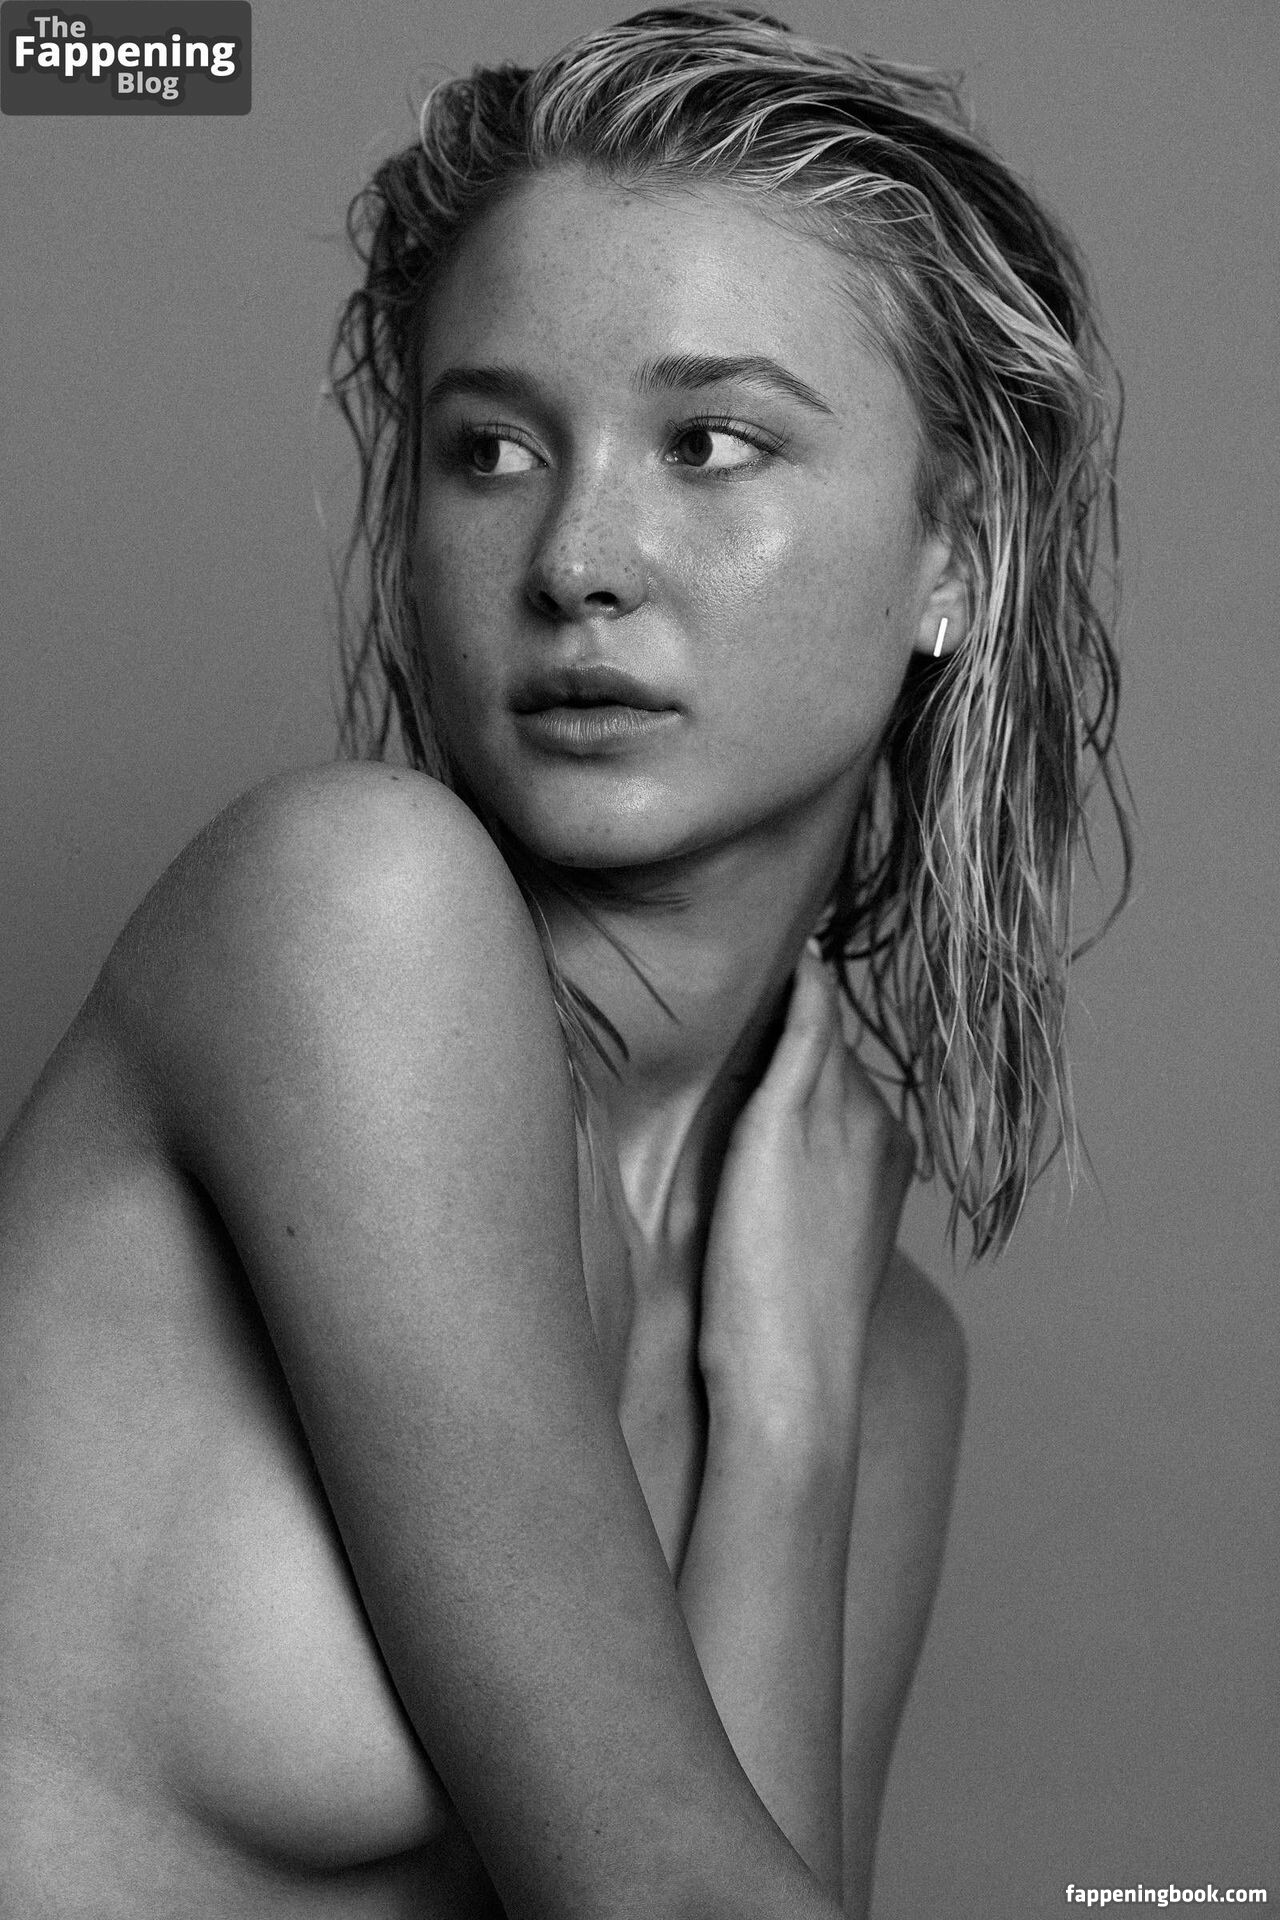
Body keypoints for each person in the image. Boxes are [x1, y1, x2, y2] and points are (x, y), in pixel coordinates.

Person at [0, 8, 1129, 1915]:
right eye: (494, 449)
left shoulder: (874, 1351)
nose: (578, 557)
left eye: (711, 443)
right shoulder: (350, 918)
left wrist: (788, 1424)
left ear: (955, 553)